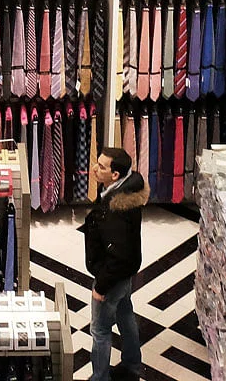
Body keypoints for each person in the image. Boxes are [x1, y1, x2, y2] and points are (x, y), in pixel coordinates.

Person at [79, 147, 149, 381]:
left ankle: (100, 377)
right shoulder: (126, 191)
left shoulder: (116, 210)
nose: (94, 169)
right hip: (124, 274)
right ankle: (132, 365)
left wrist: (101, 286)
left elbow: (118, 255)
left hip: (111, 276)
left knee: (100, 329)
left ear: (115, 175)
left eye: (101, 167)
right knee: (125, 314)